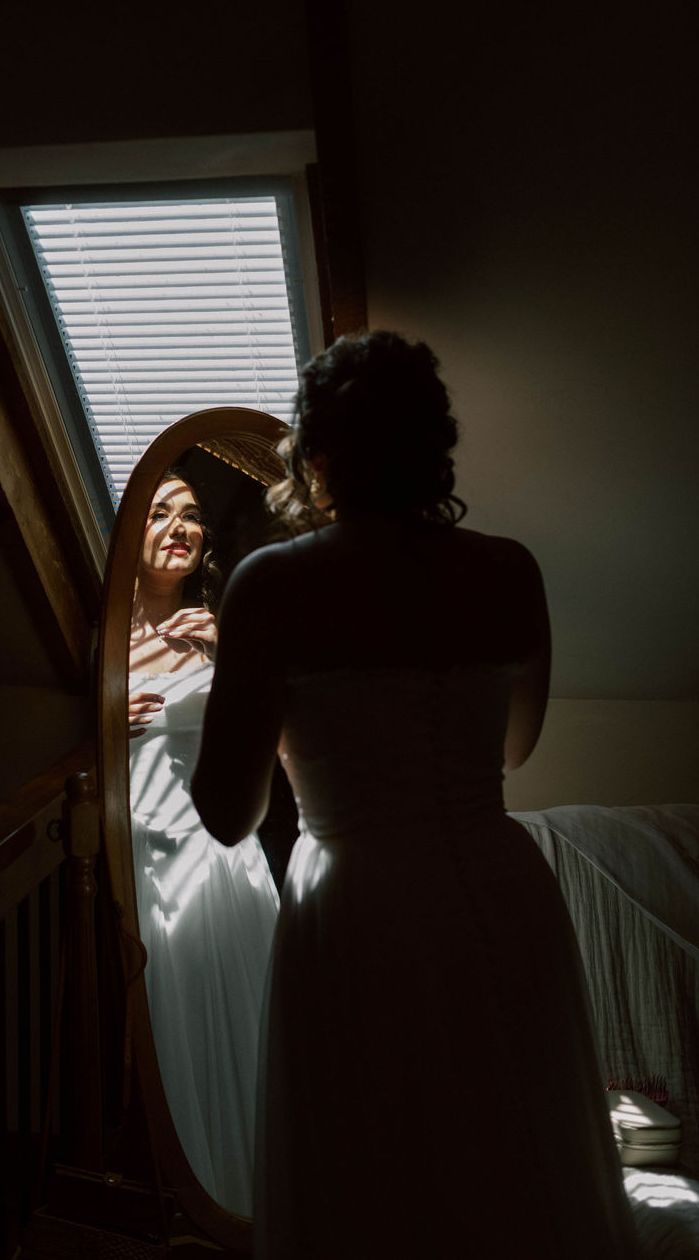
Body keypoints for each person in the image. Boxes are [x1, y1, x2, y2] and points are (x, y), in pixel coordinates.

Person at [191, 334, 641, 1258]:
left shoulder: (271, 583)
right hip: (500, 891)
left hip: (358, 908)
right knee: (512, 1146)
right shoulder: (509, 569)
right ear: (435, 446)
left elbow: (225, 815)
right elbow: (513, 750)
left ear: (318, 457)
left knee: (378, 1169)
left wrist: (289, 727)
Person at [127, 469, 279, 1217]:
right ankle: (189, 1197)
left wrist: (229, 640)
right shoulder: (96, 640)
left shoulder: (222, 623)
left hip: (225, 854)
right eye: (160, 514)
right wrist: (101, 711)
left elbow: (281, 730)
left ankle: (268, 1198)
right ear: (129, 531)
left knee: (255, 1020)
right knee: (172, 1026)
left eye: (192, 517)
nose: (180, 528)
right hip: (150, 860)